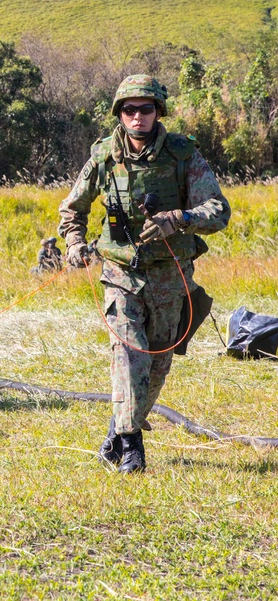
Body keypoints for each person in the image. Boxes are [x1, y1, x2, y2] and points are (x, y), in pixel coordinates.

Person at [57, 74, 230, 474]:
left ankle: (118, 431)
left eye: (145, 109)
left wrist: (181, 218)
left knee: (158, 362)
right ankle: (133, 446)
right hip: (120, 274)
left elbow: (218, 210)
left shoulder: (184, 155)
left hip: (171, 275)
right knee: (129, 353)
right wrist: (74, 244)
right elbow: (72, 210)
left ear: (158, 112)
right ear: (120, 114)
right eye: (129, 109)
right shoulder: (103, 156)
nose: (137, 117)